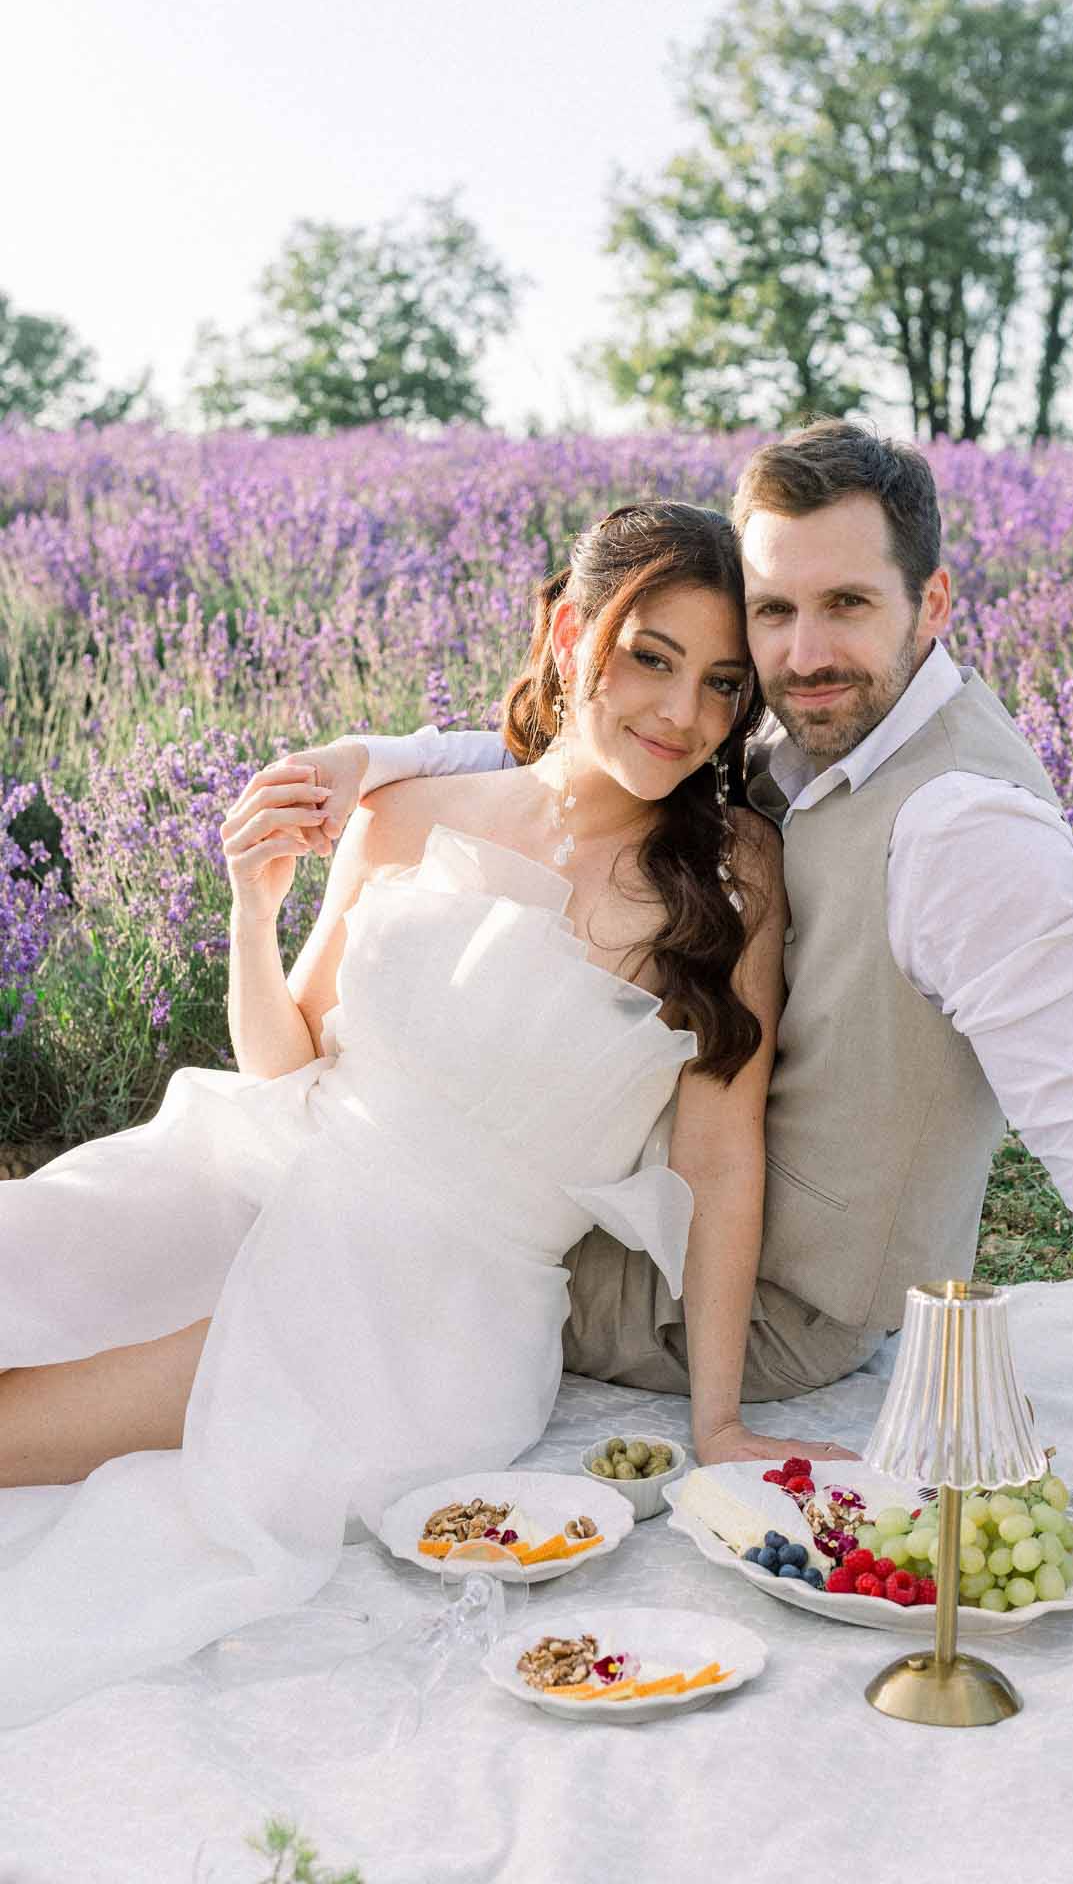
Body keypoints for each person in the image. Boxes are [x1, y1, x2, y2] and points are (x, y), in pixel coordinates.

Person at [294, 420, 1073, 1533]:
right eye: (772, 610)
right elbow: (583, 760)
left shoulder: (970, 834)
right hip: (671, 1208)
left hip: (754, 1306)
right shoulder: (816, 721)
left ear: (932, 602)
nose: (801, 652)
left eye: (847, 603)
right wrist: (381, 760)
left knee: (365, 1224)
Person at [0, 499, 803, 1729]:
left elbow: (721, 1154)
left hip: (429, 1298)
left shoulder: (730, 874)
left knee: (42, 1423)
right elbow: (284, 1059)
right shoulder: (408, 813)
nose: (683, 714)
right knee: (28, 1255)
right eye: (652, 657)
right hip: (269, 1157)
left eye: (720, 684)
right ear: (568, 627)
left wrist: (720, 1415)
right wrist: (250, 912)